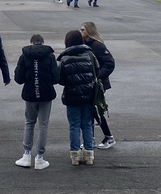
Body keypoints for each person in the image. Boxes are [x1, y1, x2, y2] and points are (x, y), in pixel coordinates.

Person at [13, 34, 59, 170]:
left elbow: (19, 78)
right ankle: (40, 157)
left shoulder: (24, 56)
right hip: (46, 94)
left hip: (30, 94)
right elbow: (56, 77)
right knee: (43, 125)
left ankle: (26, 155)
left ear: (31, 43)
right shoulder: (50, 56)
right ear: (43, 43)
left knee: (29, 123)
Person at [58, 29, 97, 166]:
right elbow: (96, 71)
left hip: (72, 96)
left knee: (74, 125)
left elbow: (61, 79)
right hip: (89, 95)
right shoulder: (89, 54)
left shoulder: (65, 58)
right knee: (87, 124)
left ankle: (75, 155)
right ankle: (89, 154)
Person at [81, 21, 116, 149]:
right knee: (91, 111)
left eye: (83, 30)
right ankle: (92, 138)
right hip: (89, 82)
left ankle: (108, 137)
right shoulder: (85, 44)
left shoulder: (98, 46)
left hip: (98, 84)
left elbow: (109, 64)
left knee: (95, 111)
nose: (81, 32)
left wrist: (97, 77)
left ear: (89, 31)